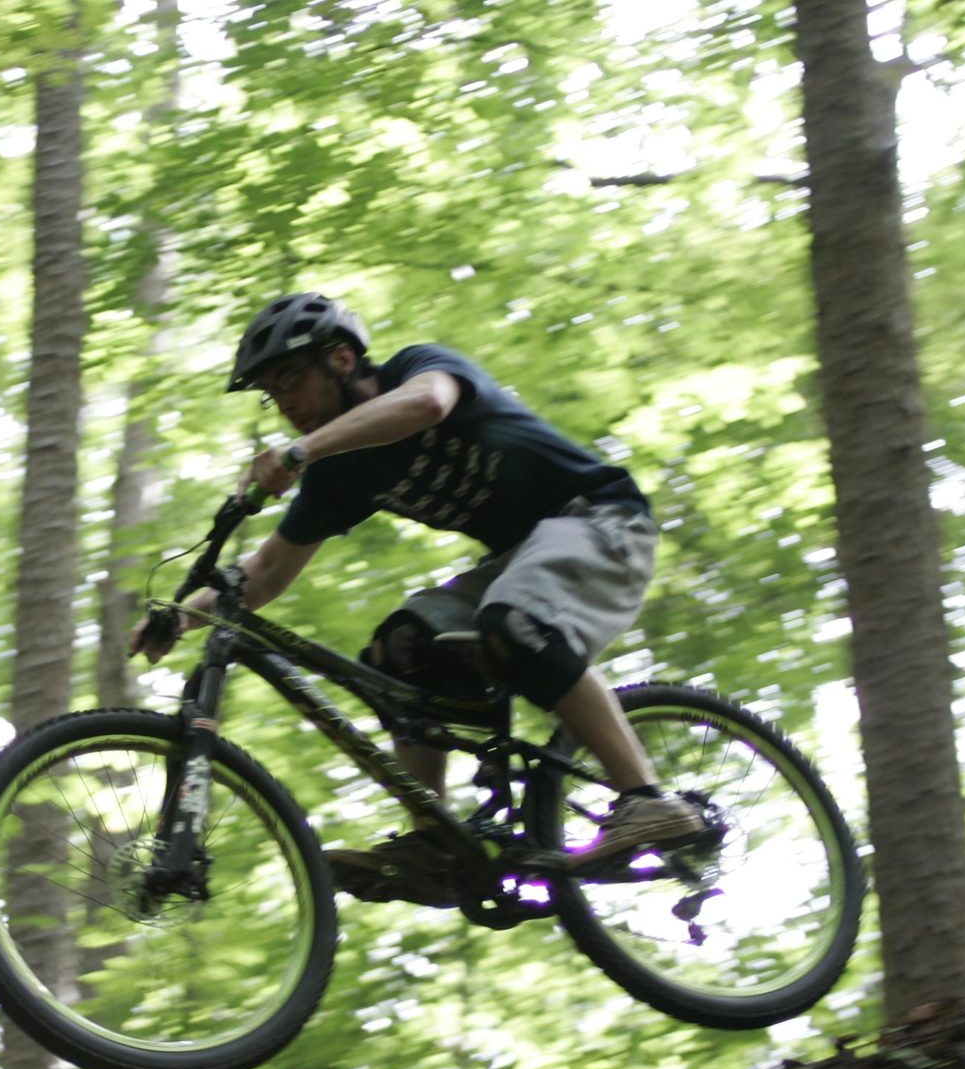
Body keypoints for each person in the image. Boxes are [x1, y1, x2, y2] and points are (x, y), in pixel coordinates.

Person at [131, 290, 707, 909]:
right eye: (274, 393)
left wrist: (301, 453)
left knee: (513, 619)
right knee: (396, 651)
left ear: (343, 359)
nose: (286, 404)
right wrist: (182, 616)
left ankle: (648, 800)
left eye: (291, 378)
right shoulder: (341, 473)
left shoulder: (416, 369)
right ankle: (437, 845)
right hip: (518, 561)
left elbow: (429, 404)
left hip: (601, 521)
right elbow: (268, 570)